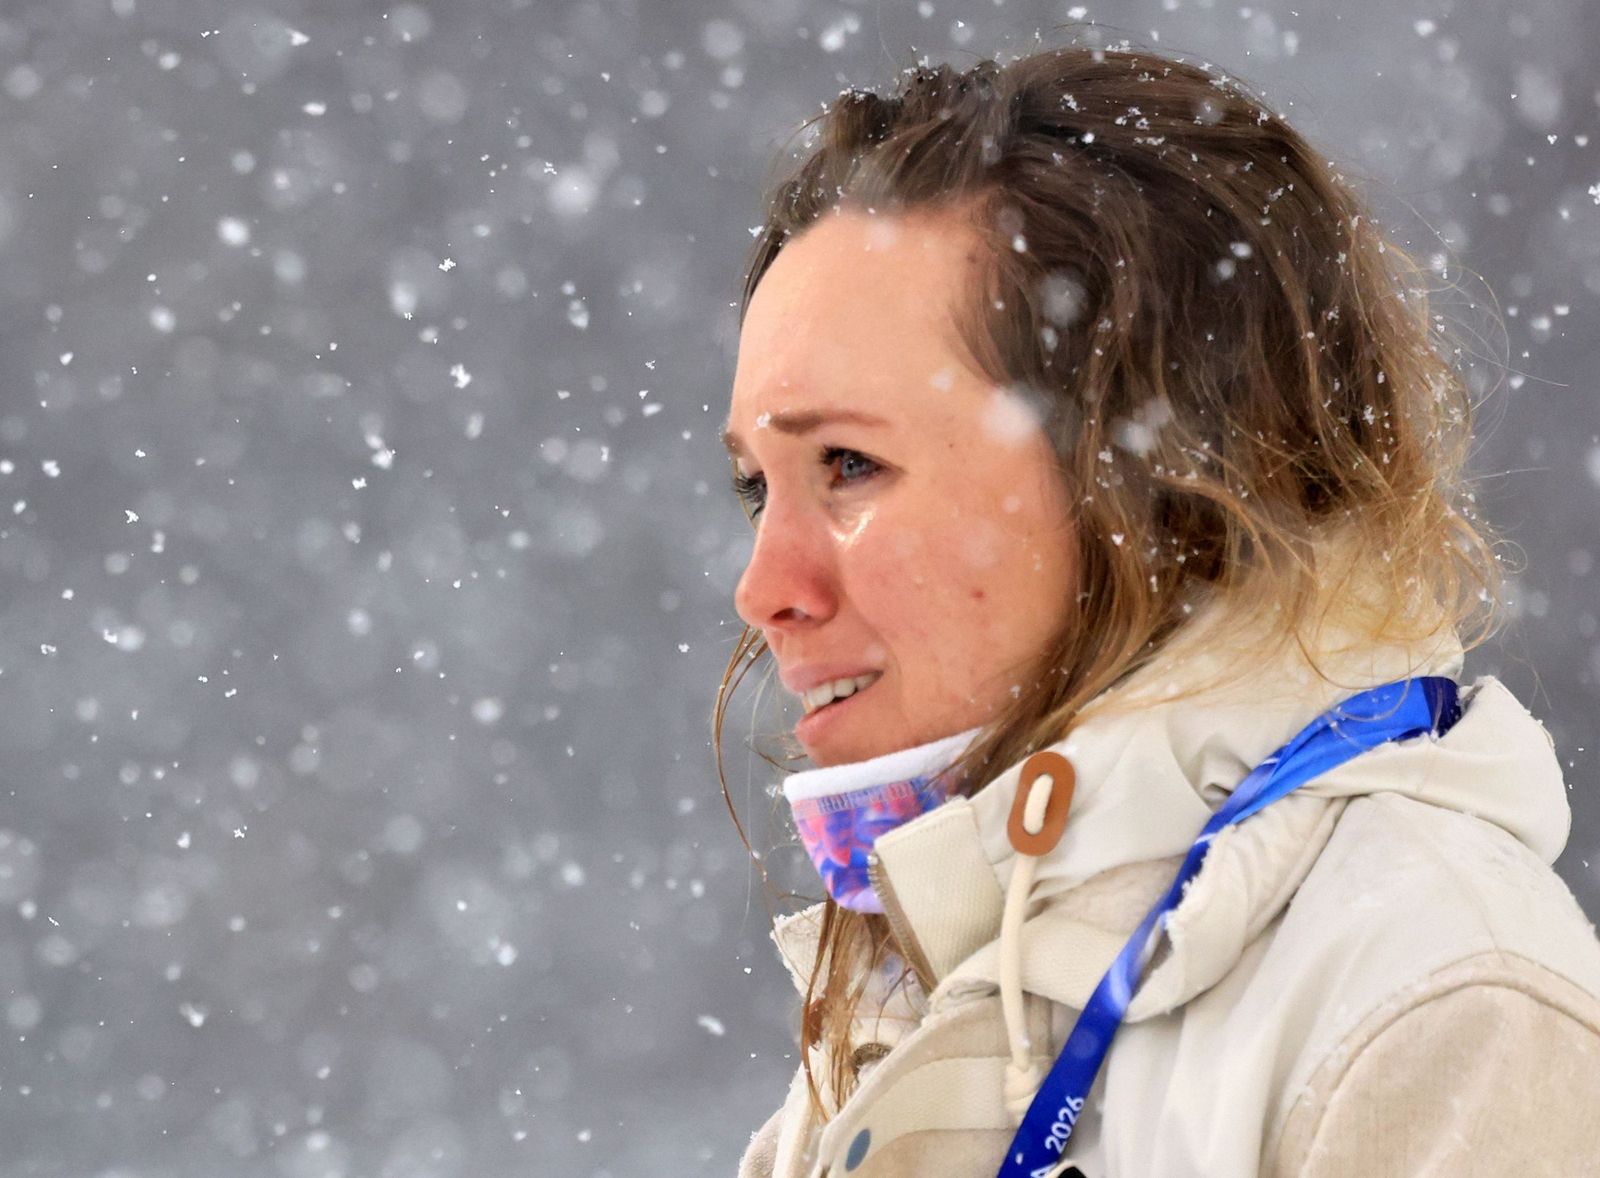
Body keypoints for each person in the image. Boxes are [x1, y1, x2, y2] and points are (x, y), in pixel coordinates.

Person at [712, 41, 1600, 1178]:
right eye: (755, 486)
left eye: (845, 464)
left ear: (1143, 470)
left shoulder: (1436, 1006)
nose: (764, 586)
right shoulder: (928, 999)